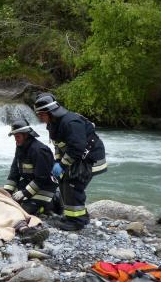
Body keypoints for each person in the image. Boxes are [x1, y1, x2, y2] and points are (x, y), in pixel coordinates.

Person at [34, 93, 107, 231]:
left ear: (50, 112)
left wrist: (62, 165)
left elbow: (77, 147)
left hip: (90, 158)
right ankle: (73, 217)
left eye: (41, 114)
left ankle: (76, 222)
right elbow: (57, 145)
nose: (39, 118)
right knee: (64, 182)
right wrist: (57, 161)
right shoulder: (53, 123)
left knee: (74, 184)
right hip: (76, 157)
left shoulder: (71, 122)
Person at [3, 118, 57, 215]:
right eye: (14, 136)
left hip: (45, 187)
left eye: (18, 136)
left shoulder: (39, 150)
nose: (16, 139)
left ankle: (49, 205)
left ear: (26, 135)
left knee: (24, 210)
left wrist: (24, 193)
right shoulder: (20, 147)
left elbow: (42, 178)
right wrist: (6, 193)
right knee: (7, 205)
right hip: (29, 184)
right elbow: (14, 173)